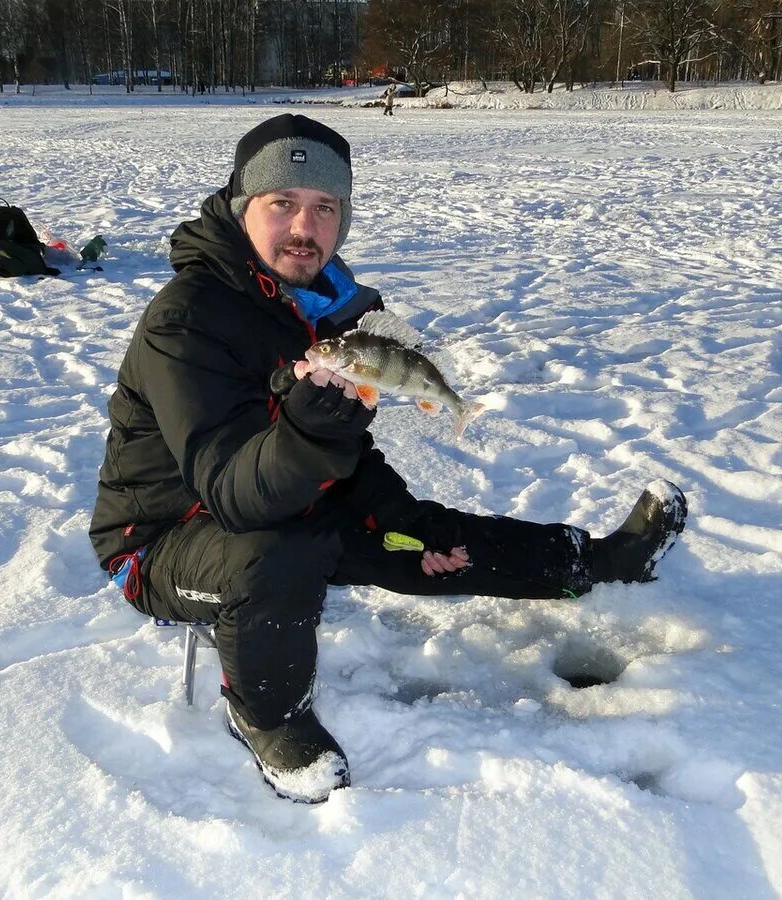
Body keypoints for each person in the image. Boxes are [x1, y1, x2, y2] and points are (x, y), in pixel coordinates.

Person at [88, 114, 688, 804]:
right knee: (279, 551)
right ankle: (269, 715)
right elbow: (231, 494)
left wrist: (407, 522)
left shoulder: (314, 307)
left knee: (426, 536)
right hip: (161, 540)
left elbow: (341, 454)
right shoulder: (184, 318)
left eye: (325, 209)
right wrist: (317, 433)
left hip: (290, 500)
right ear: (242, 208)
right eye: (281, 204)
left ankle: (598, 563)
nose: (303, 229)